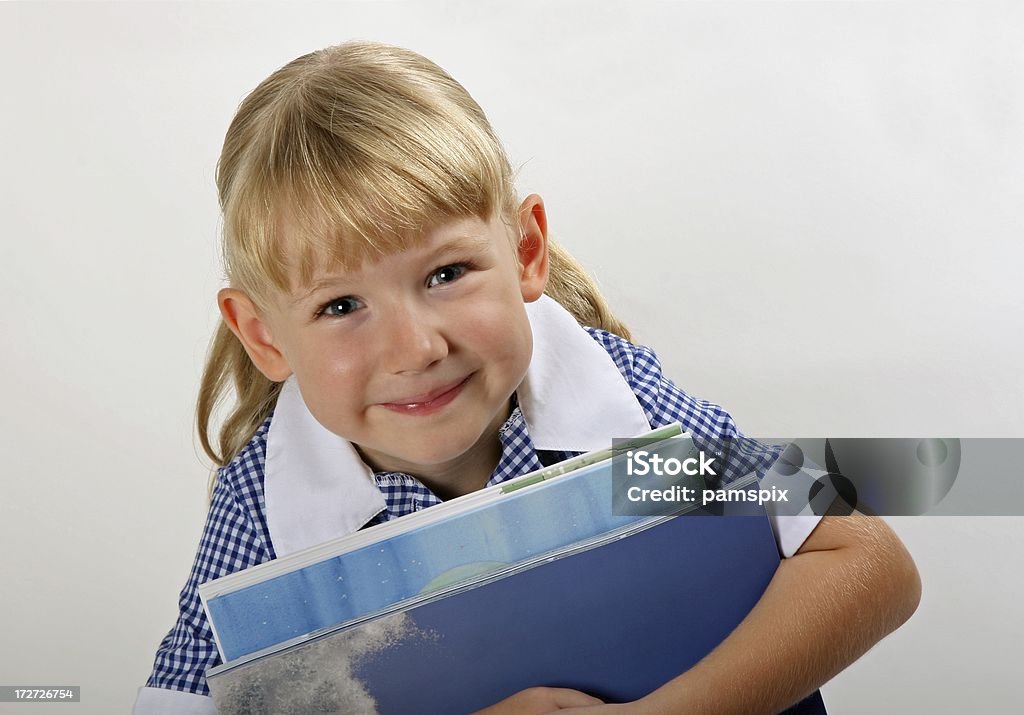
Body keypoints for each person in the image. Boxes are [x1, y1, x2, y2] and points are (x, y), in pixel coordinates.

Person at [134, 41, 921, 715]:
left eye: (446, 272)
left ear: (526, 252)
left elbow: (868, 561)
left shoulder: (626, 408)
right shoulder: (260, 512)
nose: (414, 348)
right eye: (341, 304)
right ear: (265, 335)